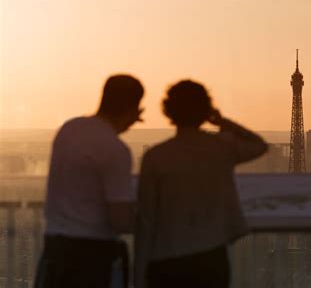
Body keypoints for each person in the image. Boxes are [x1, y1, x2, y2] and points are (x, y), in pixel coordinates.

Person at [134, 80, 268, 288]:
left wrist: (139, 272)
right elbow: (259, 145)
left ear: (168, 111)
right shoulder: (221, 148)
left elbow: (146, 219)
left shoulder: (156, 157)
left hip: (167, 258)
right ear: (205, 110)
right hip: (211, 256)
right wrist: (223, 122)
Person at [34, 74, 144, 288]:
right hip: (92, 256)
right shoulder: (115, 149)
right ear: (132, 109)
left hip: (55, 248)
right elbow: (119, 219)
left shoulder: (69, 130)